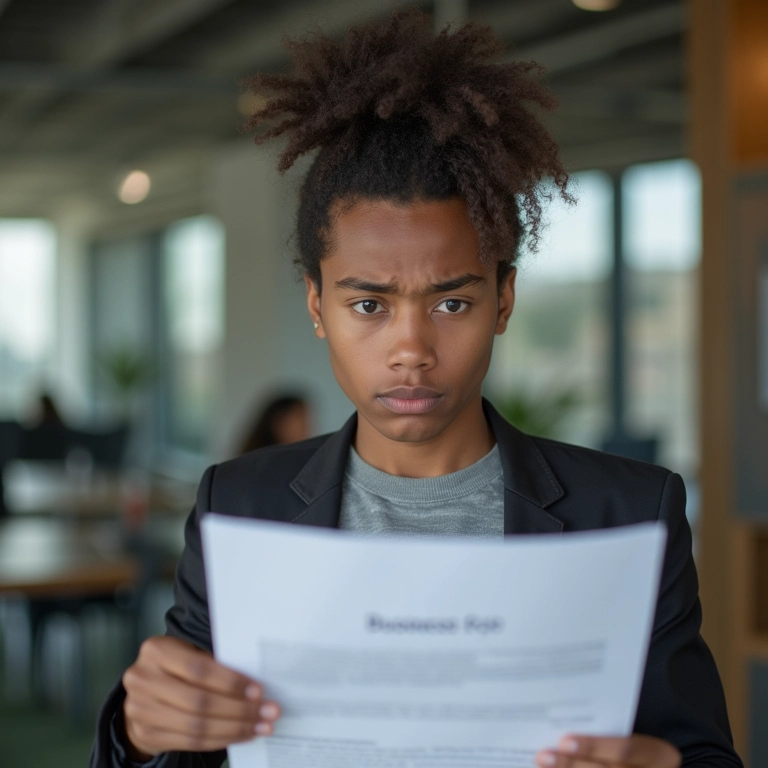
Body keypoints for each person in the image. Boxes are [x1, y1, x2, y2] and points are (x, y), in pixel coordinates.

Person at [90, 10, 742, 768]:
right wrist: (141, 732)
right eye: (369, 305)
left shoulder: (629, 513)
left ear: (503, 300)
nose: (411, 351)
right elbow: (190, 748)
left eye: (451, 303)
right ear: (317, 307)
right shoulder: (239, 505)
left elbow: (702, 754)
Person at [236, 393, 311, 455]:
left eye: (306, 419)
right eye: (299, 417)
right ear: (279, 422)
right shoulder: (258, 460)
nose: (306, 426)